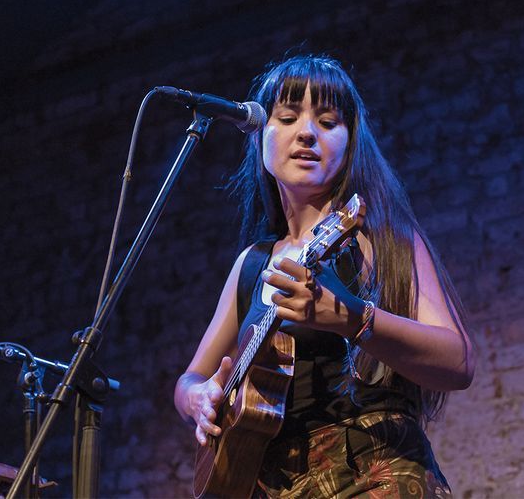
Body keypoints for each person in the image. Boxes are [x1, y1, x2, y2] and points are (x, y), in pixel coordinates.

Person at [174, 54, 475, 497]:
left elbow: (458, 361)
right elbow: (191, 379)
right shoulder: (252, 264)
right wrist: (198, 400)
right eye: (288, 117)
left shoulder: (380, 240)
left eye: (328, 121)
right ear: (260, 136)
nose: (307, 133)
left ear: (350, 142)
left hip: (376, 478)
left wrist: (349, 317)